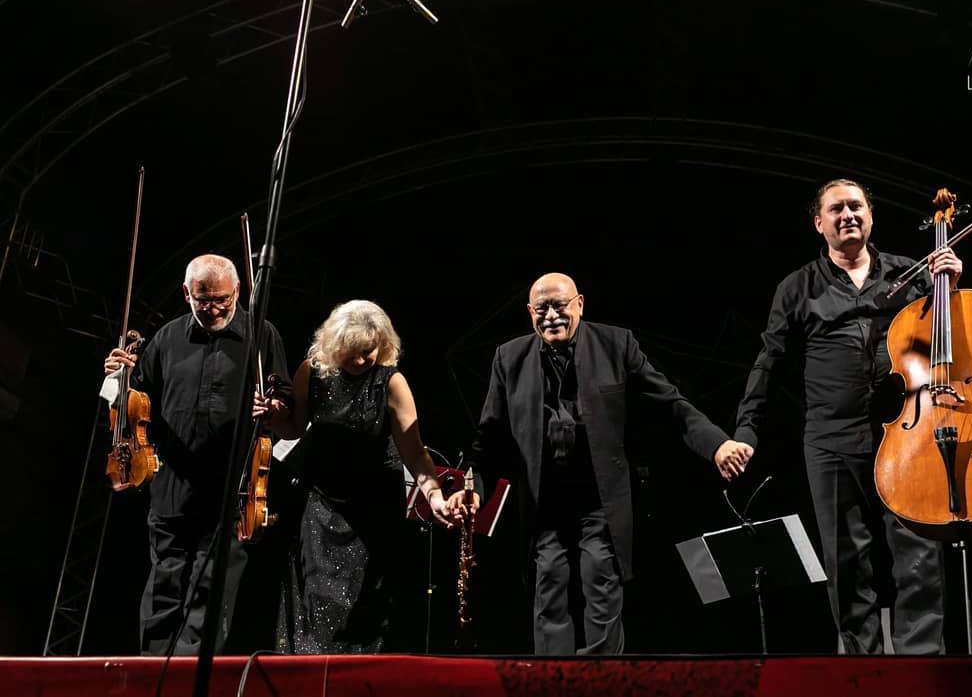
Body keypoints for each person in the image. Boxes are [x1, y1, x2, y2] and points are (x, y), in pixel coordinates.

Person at [718, 179, 963, 655]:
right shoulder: (798, 287)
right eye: (836, 209)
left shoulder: (913, 274)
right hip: (831, 439)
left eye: (856, 206)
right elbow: (769, 362)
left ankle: (921, 662)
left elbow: (948, 342)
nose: (847, 214)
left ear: (870, 215)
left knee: (919, 553)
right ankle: (862, 668)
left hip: (906, 432)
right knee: (846, 559)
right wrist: (746, 428)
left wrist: (948, 290)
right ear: (819, 223)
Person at [446, 272, 737, 655]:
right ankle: (554, 680)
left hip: (600, 499)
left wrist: (717, 444)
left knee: (600, 578)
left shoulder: (616, 344)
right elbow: (489, 440)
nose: (551, 316)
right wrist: (472, 491)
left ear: (579, 304)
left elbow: (671, 405)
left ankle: (601, 680)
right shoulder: (509, 358)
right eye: (541, 309)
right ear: (530, 312)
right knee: (549, 586)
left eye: (560, 306)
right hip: (544, 503)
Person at [102, 253, 292, 655]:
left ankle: (191, 674)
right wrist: (117, 379)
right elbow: (133, 403)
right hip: (173, 483)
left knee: (211, 591)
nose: (214, 309)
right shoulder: (167, 337)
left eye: (223, 299)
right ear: (186, 293)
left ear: (238, 291)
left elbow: (286, 407)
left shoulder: (262, 334)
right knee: (164, 583)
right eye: (203, 300)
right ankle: (154, 669)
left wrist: (274, 410)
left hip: (232, 487)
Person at [256, 299, 453, 654]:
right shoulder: (312, 372)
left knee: (368, 607)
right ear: (335, 346)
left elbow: (414, 451)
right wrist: (274, 416)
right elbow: (292, 429)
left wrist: (434, 495)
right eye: (352, 353)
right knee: (317, 601)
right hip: (322, 503)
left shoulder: (391, 382)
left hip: (375, 508)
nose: (361, 361)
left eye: (368, 352)